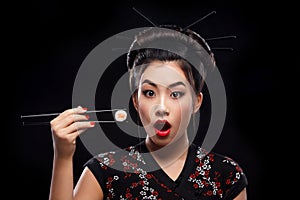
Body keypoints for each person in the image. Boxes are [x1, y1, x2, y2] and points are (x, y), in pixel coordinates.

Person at [49, 25, 248, 200]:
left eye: (176, 93)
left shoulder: (226, 176)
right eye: (150, 93)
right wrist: (63, 156)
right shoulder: (104, 171)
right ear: (136, 101)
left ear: (197, 101)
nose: (161, 107)